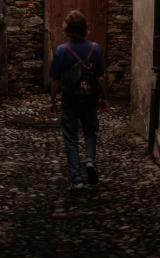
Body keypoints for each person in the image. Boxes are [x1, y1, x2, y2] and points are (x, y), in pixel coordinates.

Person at [48, 10, 107, 190]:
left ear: (67, 29)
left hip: (69, 100)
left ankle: (77, 179)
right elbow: (101, 78)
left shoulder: (61, 51)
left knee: (70, 138)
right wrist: (103, 97)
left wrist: (52, 100)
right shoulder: (95, 49)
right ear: (84, 28)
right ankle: (89, 160)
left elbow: (56, 80)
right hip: (89, 99)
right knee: (90, 132)